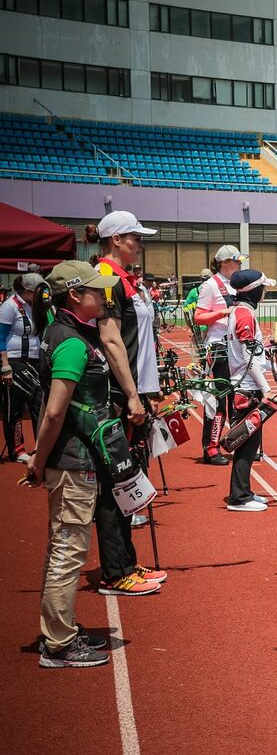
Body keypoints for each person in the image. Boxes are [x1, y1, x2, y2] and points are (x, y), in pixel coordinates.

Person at [22, 260, 119, 667]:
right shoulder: (72, 342)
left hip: (72, 459)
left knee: (62, 546)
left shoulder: (64, 333)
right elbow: (54, 412)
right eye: (97, 290)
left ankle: (59, 631)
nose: (105, 296)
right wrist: (38, 460)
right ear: (75, 296)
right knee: (68, 550)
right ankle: (59, 644)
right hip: (72, 461)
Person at [87, 211, 165, 596]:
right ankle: (116, 572)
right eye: (136, 237)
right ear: (116, 240)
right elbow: (111, 340)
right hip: (119, 397)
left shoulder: (124, 279)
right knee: (115, 482)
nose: (141, 244)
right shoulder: (106, 277)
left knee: (128, 479)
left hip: (134, 393)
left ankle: (127, 563)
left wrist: (148, 390)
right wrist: (132, 395)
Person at [225, 269, 275, 512]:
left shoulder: (239, 311)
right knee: (246, 444)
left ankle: (244, 491)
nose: (265, 292)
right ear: (254, 291)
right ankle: (239, 497)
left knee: (249, 443)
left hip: (244, 385)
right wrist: (266, 388)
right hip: (247, 388)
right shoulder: (245, 314)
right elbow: (248, 357)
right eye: (263, 288)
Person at [195, 245, 245, 465]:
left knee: (238, 398)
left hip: (236, 348)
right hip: (218, 349)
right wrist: (223, 312)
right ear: (224, 263)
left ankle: (236, 442)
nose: (240, 264)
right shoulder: (210, 285)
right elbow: (199, 317)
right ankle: (211, 448)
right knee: (218, 400)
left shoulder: (237, 284)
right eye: (237, 261)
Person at [1, 272, 45, 463]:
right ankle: (17, 450)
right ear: (28, 291)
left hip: (34, 361)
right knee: (15, 407)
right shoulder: (9, 306)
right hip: (14, 361)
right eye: (38, 291)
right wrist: (5, 367)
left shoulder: (35, 306)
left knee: (39, 403)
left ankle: (42, 447)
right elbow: (0, 337)